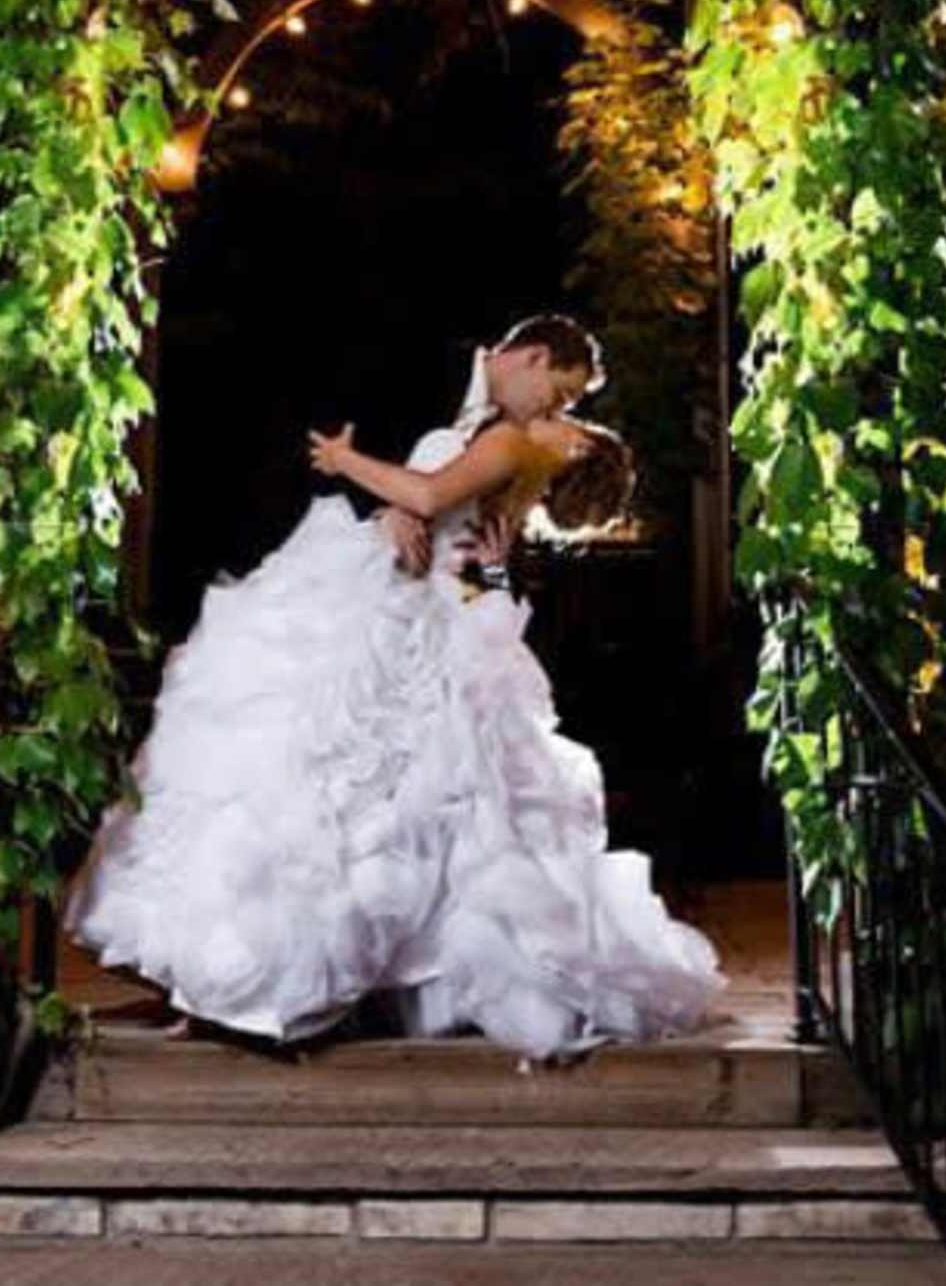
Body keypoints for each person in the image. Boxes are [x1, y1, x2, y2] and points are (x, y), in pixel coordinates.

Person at [59, 314, 729, 1060]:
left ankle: (328, 978)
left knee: (382, 802)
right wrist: (385, 511)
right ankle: (217, 969)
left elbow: (453, 524)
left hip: (419, 614)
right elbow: (373, 465)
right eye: (557, 395)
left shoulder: (514, 441)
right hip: (365, 584)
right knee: (287, 768)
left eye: (569, 412)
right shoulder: (428, 372)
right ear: (532, 355)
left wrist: (376, 481)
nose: (557, 414)